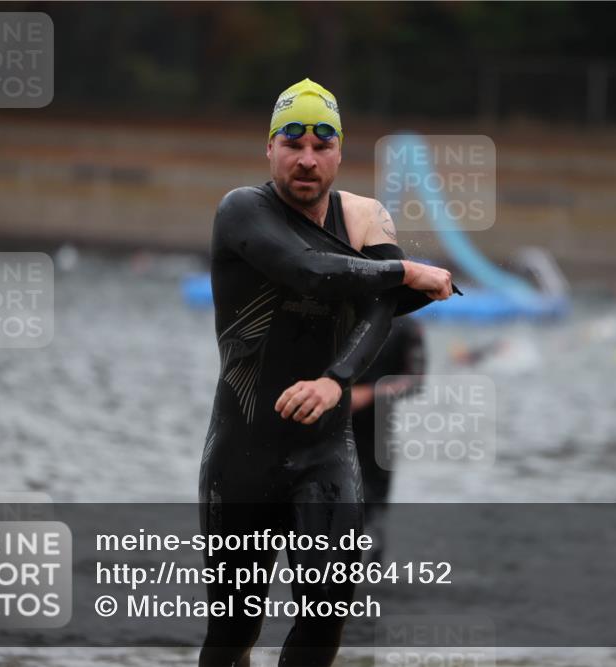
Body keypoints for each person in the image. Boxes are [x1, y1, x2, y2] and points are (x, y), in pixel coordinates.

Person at [197, 78, 455, 667]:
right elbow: (309, 270)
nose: (307, 159)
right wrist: (406, 270)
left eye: (322, 145)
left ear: (340, 153)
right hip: (242, 456)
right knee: (233, 632)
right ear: (270, 148)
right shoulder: (241, 210)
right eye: (293, 144)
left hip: (326, 454)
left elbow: (381, 310)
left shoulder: (366, 217)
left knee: (325, 621)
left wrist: (335, 379)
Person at [350, 315, 426, 563]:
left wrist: (369, 393)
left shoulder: (406, 327)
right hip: (331, 424)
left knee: (374, 503)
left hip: (378, 425)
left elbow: (415, 379)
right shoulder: (341, 314)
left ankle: (373, 560)